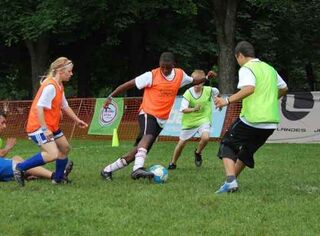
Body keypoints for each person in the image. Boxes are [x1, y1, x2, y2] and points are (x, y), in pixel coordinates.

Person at [100, 52, 216, 181]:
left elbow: (193, 81)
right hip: (147, 113)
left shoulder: (179, 75)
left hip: (161, 119)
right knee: (147, 136)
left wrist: (206, 78)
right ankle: (137, 169)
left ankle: (107, 170)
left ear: (174, 65)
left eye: (168, 67)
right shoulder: (151, 75)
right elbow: (129, 84)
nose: (165, 70)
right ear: (159, 65)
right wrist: (111, 96)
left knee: (139, 150)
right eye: (162, 67)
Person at [214, 41, 288, 193]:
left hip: (252, 119)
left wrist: (226, 101)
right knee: (246, 152)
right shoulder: (269, 69)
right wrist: (270, 100)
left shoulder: (247, 68)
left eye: (237, 59)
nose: (238, 62)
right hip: (270, 123)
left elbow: (249, 88)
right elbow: (284, 88)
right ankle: (232, 182)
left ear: (240, 55)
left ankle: (230, 181)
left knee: (227, 145)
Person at [13, 57, 88, 187]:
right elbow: (39, 108)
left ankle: (58, 179)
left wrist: (77, 120)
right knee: (52, 154)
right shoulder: (50, 87)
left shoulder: (59, 85)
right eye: (69, 71)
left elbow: (64, 105)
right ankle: (20, 168)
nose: (71, 73)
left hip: (50, 126)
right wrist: (44, 129)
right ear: (60, 71)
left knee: (65, 148)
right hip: (38, 127)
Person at [0, 110, 53, 182]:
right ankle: (54, 175)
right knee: (20, 165)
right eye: (2, 123)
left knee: (16, 158)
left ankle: (28, 174)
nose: (4, 126)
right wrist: (8, 147)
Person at [168, 69, 219, 170]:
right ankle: (173, 162)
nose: (197, 84)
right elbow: (183, 109)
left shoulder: (210, 90)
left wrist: (218, 102)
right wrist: (194, 109)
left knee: (205, 138)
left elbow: (216, 96)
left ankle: (198, 153)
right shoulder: (188, 93)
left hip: (204, 119)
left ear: (203, 82)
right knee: (181, 143)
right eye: (195, 82)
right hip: (189, 122)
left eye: (199, 82)